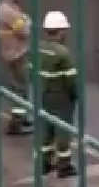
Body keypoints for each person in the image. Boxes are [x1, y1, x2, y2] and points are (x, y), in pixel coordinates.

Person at [37, 11, 79, 178]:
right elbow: (71, 80)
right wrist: (75, 94)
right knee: (63, 131)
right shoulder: (63, 53)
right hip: (61, 96)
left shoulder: (40, 47)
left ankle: (44, 162)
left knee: (47, 129)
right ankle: (64, 165)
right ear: (60, 31)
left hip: (45, 93)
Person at [0, 0, 33, 135]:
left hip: (13, 52)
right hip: (16, 54)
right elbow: (24, 32)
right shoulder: (10, 12)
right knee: (20, 88)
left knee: (20, 88)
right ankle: (16, 124)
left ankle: (21, 118)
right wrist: (27, 22)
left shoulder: (6, 8)